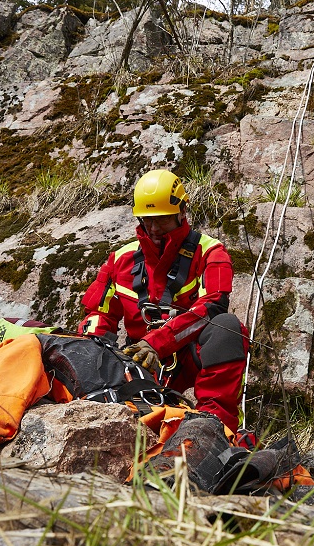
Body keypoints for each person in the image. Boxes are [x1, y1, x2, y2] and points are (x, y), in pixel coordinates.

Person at [78, 169, 249, 433]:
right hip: (140, 360)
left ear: (182, 212)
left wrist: (158, 342)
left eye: (163, 220)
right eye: (147, 221)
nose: (154, 229)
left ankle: (215, 428)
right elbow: (99, 314)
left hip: (189, 353)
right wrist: (91, 356)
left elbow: (212, 305)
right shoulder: (120, 260)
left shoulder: (211, 252)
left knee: (227, 327)